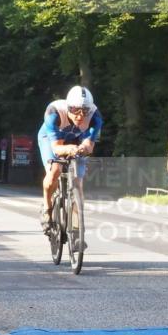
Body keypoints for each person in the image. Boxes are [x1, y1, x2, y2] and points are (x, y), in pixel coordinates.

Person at [38, 85, 102, 230]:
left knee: (78, 183)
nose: (80, 116)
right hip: (51, 140)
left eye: (85, 111)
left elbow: (89, 146)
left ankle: (76, 226)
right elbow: (56, 148)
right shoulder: (53, 113)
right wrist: (69, 149)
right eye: (75, 110)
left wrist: (83, 148)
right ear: (68, 107)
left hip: (76, 141)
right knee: (55, 170)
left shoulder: (95, 117)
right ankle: (47, 208)